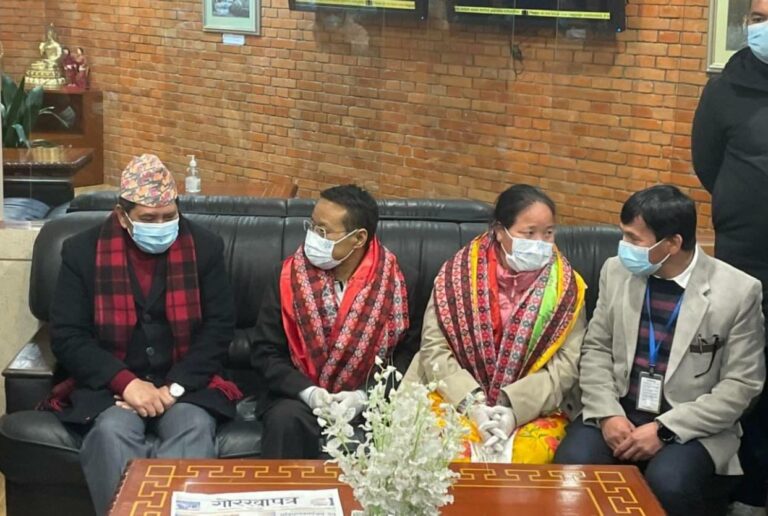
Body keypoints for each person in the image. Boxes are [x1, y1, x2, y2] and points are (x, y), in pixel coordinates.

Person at [44, 154, 241, 515]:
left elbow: (219, 329)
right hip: (111, 389)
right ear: (123, 216)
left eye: (169, 216)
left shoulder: (205, 247)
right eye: (149, 219)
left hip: (185, 386)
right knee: (110, 433)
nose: (161, 225)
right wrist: (127, 384)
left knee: (194, 427)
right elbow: (69, 336)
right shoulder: (82, 251)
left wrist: (173, 388)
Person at [554, 185, 766, 516]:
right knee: (573, 464)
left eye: (633, 239)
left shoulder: (738, 292)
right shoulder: (616, 271)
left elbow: (742, 385)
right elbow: (596, 349)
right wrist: (608, 414)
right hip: (619, 408)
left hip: (690, 425)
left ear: (672, 243)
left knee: (669, 483)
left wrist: (665, 430)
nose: (624, 246)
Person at [404, 184, 587, 463]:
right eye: (529, 233)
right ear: (500, 231)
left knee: (528, 456)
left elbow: (565, 366)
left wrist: (513, 410)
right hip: (451, 392)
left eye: (548, 233)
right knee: (447, 453)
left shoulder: (567, 289)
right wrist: (472, 404)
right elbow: (434, 349)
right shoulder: (456, 276)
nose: (540, 243)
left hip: (534, 406)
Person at [251, 184, 417, 459]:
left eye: (323, 231)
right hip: (298, 397)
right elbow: (265, 352)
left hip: (372, 397)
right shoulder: (287, 278)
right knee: (285, 419)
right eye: (312, 226)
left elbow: (409, 356)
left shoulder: (400, 282)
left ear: (358, 238)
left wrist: (363, 397)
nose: (313, 236)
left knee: (407, 429)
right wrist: (309, 393)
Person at [692, 2, 768, 512]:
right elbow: (707, 163)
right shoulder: (725, 89)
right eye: (758, 16)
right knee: (744, 368)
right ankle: (743, 490)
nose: (763, 26)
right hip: (745, 254)